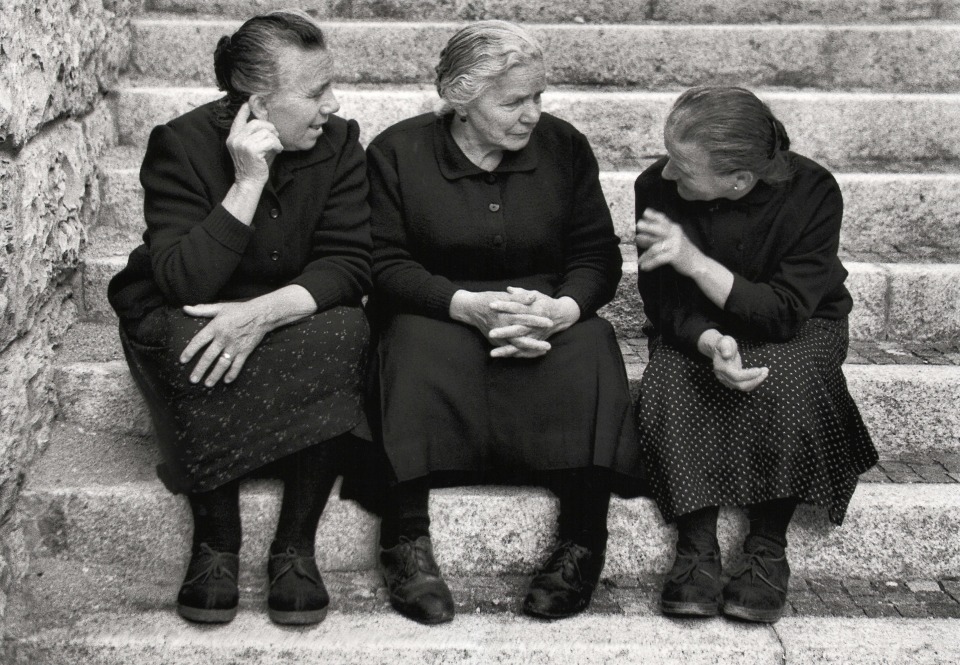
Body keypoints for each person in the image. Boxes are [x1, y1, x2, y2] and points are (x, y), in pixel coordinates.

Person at [365, 20, 643, 625]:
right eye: (514, 100)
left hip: (541, 316)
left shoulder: (565, 147)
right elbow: (382, 263)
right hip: (439, 314)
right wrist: (463, 305)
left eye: (539, 96)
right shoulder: (397, 152)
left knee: (594, 343)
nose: (533, 114)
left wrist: (562, 310)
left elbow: (596, 254)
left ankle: (581, 542)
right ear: (461, 101)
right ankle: (406, 541)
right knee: (406, 343)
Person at [107, 10, 374, 626]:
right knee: (187, 335)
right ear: (258, 101)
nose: (331, 105)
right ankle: (216, 543)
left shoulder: (339, 143)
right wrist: (248, 181)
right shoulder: (181, 143)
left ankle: (294, 549)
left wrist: (261, 313)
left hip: (286, 312)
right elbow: (183, 281)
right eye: (314, 94)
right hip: (192, 311)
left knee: (347, 329)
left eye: (330, 88)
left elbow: (351, 264)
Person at [633, 86, 878, 623]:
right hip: (698, 326)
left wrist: (696, 262)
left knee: (788, 376)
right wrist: (708, 341)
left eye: (683, 166)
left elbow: (787, 311)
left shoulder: (813, 190)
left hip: (801, 323)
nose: (668, 174)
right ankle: (696, 547)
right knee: (672, 376)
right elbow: (664, 302)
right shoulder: (656, 184)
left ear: (739, 180)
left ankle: (767, 546)